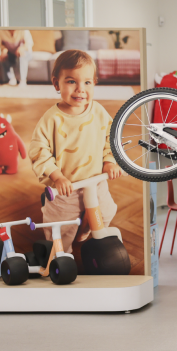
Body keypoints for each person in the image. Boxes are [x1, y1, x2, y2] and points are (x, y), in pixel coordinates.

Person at [29, 49, 121, 251]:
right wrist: (57, 176)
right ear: (56, 84)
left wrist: (109, 161)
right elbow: (38, 150)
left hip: (95, 183)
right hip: (65, 189)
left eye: (87, 82)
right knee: (61, 229)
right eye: (71, 82)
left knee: (105, 213)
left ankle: (87, 227)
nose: (80, 89)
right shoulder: (51, 119)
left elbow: (111, 137)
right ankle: (61, 256)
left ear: (95, 83)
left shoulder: (98, 111)